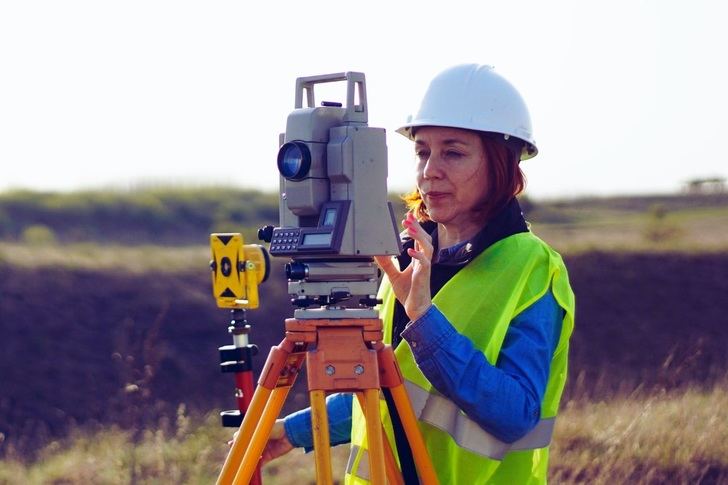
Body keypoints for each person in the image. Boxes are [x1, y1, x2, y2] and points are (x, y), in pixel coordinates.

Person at [257, 64, 575, 484]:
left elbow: (516, 416)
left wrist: (425, 323)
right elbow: (392, 392)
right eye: (423, 151)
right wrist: (292, 432)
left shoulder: (531, 267)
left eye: (453, 152)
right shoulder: (408, 260)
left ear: (502, 162)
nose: (429, 171)